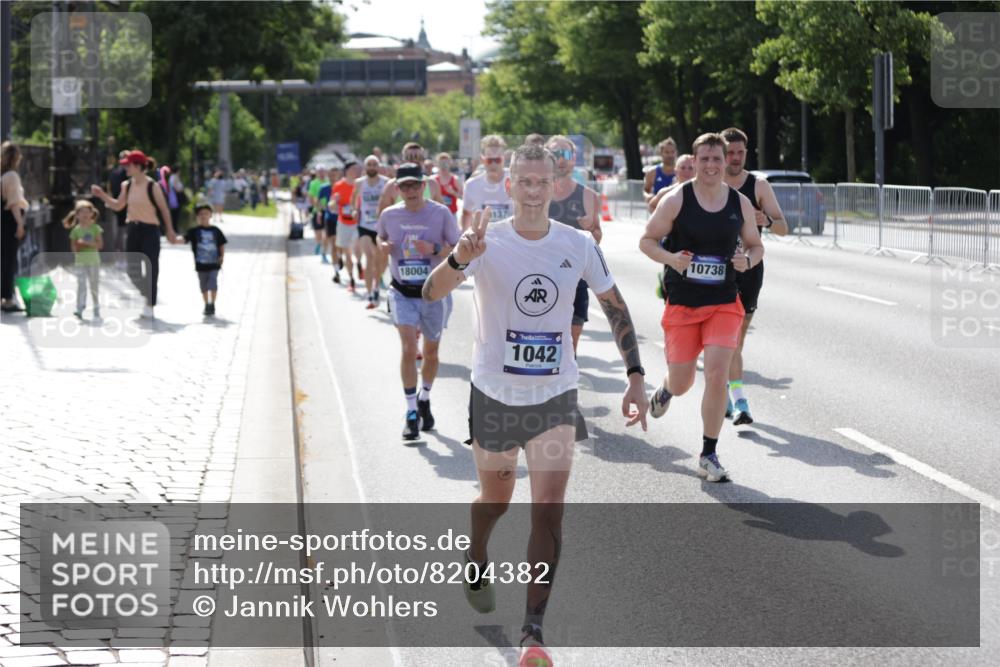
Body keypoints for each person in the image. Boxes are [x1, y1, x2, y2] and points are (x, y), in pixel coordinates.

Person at [422, 144, 649, 667]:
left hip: (555, 394)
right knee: (495, 502)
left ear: (554, 185)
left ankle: (533, 632)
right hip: (496, 394)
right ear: (508, 186)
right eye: (523, 180)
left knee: (548, 511)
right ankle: (477, 551)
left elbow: (616, 307)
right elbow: (432, 292)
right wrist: (461, 258)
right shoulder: (486, 241)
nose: (531, 189)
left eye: (540, 181)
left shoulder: (577, 243)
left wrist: (635, 376)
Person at [638, 133, 764, 482]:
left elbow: (756, 246)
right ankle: (665, 389)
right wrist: (671, 259)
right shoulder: (677, 200)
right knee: (682, 381)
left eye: (717, 160)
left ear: (726, 163)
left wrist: (746, 261)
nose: (711, 166)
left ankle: (709, 453)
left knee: (717, 373)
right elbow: (646, 240)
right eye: (704, 160)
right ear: (694, 162)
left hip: (724, 302)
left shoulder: (738, 203)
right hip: (682, 303)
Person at [376, 163, 460, 440]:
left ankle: (425, 397)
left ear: (423, 186)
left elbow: (459, 248)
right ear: (397, 189)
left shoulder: (440, 213)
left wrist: (435, 249)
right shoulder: (389, 215)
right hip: (402, 291)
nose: (410, 191)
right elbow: (381, 236)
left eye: (415, 185)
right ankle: (411, 412)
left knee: (432, 353)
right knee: (409, 348)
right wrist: (382, 245)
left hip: (433, 293)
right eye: (405, 187)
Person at [720, 127, 788, 424]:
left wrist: (768, 220)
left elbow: (784, 227)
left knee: (737, 338)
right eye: (730, 152)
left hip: (749, 266)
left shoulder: (758, 185)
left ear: (747, 153)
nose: (735, 158)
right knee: (726, 337)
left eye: (740, 153)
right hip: (717, 269)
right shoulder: (711, 181)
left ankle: (726, 392)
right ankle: (738, 400)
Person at [91, 150, 179, 320]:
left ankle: (150, 304)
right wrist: (102, 195)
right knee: (132, 270)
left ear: (138, 166)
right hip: (133, 230)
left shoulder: (152, 186)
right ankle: (149, 293)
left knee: (151, 267)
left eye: (128, 165)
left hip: (150, 230)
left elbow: (164, 209)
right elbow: (117, 206)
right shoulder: (127, 185)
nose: (125, 168)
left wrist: (170, 230)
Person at [545, 135, 603, 354]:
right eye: (555, 154)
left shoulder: (588, 195)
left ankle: (567, 384)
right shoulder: (538, 191)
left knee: (570, 347)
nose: (561, 159)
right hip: (541, 273)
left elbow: (597, 238)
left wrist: (591, 228)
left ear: (573, 158)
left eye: (566, 154)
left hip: (575, 276)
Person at [352, 155, 389, 308]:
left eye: (374, 164)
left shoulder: (385, 182)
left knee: (382, 260)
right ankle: (369, 293)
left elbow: (391, 200)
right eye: (369, 165)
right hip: (364, 225)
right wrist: (355, 210)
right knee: (370, 256)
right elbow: (353, 199)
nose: (372, 167)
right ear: (365, 167)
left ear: (378, 166)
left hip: (381, 226)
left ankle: (376, 285)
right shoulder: (359, 183)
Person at [183, 202, 228, 316]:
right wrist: (172, 238)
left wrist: (222, 257)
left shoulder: (216, 230)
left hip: (214, 263)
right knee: (203, 285)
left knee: (213, 283)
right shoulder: (194, 231)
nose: (203, 216)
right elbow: (183, 239)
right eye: (201, 214)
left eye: (206, 213)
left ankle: (212, 303)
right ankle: (206, 304)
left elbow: (221, 244)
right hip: (200, 264)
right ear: (197, 216)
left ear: (210, 215)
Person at [461, 134, 512, 231]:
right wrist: (464, 236)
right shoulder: (471, 185)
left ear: (503, 158)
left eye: (497, 160)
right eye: (490, 160)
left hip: (511, 241)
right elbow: (466, 214)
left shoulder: (517, 180)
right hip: (483, 242)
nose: (493, 164)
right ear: (483, 159)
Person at [64, 199, 104, 320]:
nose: (85, 214)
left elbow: (100, 245)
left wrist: (88, 243)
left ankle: (96, 306)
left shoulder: (95, 228)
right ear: (77, 215)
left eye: (87, 211)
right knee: (81, 285)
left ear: (92, 213)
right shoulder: (75, 230)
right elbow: (74, 248)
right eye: (82, 212)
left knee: (94, 285)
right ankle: (79, 307)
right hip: (80, 261)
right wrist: (79, 245)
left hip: (94, 261)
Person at [1, 142, 28, 313]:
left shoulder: (3, 175)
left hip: (4, 220)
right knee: (10, 260)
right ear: (16, 157)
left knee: (4, 258)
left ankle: (6, 297)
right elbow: (13, 203)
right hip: (10, 220)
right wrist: (20, 224)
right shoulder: (12, 176)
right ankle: (8, 299)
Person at [332, 162, 361, 292]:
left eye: (357, 169)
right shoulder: (339, 185)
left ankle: (359, 264)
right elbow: (332, 204)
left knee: (356, 249)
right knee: (347, 252)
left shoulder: (360, 184)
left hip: (358, 223)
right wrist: (334, 202)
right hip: (344, 223)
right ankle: (351, 279)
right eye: (354, 169)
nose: (357, 171)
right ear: (347, 171)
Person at [643, 138, 678, 204]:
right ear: (661, 153)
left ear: (676, 152)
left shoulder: (683, 171)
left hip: (678, 212)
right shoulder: (652, 172)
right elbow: (645, 190)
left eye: (672, 152)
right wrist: (648, 196)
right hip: (658, 210)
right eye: (667, 152)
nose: (670, 155)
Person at [307, 165, 330, 261]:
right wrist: (316, 207)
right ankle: (318, 244)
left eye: (323, 171)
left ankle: (323, 252)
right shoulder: (313, 183)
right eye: (319, 171)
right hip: (317, 211)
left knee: (326, 233)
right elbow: (311, 198)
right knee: (318, 232)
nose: (321, 173)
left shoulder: (328, 182)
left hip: (327, 210)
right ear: (316, 173)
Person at [108, 151, 130, 252]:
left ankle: (120, 249)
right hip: (122, 205)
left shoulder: (114, 171)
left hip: (123, 205)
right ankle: (121, 250)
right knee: (121, 229)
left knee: (121, 229)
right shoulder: (123, 173)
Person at [434, 152, 463, 216]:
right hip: (437, 214)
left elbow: (463, 197)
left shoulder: (455, 179)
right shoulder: (433, 180)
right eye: (441, 163)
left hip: (451, 214)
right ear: (437, 164)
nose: (444, 165)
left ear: (450, 163)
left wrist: (453, 192)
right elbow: (427, 199)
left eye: (446, 163)